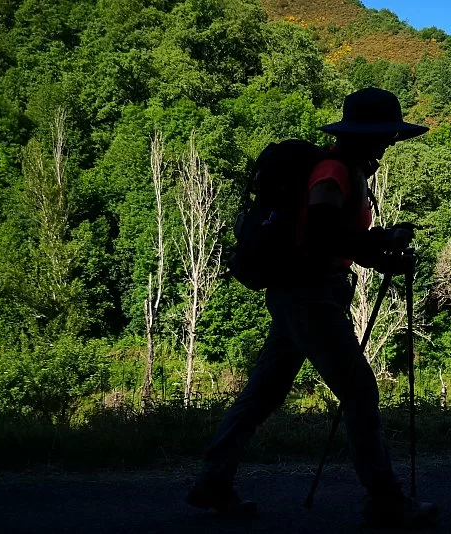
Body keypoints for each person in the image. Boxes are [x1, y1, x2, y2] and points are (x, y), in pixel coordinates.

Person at [185, 88, 438, 527]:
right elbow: (321, 235)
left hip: (298, 296)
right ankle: (384, 499)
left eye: (390, 135)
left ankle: (213, 481)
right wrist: (380, 241)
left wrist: (378, 256)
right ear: (360, 134)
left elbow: (335, 242)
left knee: (263, 393)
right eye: (383, 134)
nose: (388, 142)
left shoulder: (344, 169)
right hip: (309, 298)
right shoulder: (334, 171)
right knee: (359, 391)